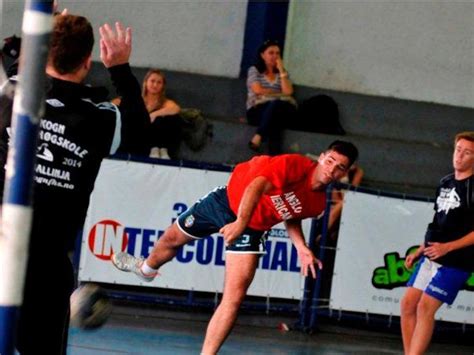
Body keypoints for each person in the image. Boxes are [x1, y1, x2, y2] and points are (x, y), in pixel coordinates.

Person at [112, 140, 359, 354]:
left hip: (252, 230)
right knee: (170, 240)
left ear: (345, 173)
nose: (332, 169)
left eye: (340, 168)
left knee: (234, 296)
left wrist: (301, 247)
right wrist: (240, 220)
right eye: (330, 161)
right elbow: (257, 186)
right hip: (225, 202)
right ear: (322, 157)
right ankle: (145, 269)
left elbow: (290, 214)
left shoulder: (317, 204)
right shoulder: (295, 165)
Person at [0, 14, 149, 353]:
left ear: (45, 55)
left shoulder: (12, 96)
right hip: (47, 270)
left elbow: (20, 72)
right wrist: (120, 69)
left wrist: (40, 35)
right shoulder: (99, 119)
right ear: (87, 63)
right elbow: (141, 134)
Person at [400, 131, 474, 355]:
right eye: (458, 149)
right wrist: (421, 249)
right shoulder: (445, 182)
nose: (459, 156)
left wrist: (448, 247)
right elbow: (438, 222)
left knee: (425, 307)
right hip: (433, 254)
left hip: (457, 260)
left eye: (467, 152)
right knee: (407, 305)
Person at [246, 40, 297, 155]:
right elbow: (257, 90)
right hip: (257, 110)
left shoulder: (282, 73)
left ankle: (258, 136)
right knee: (275, 113)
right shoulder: (255, 70)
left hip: (278, 109)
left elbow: (288, 91)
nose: (275, 56)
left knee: (276, 107)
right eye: (271, 53)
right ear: (262, 55)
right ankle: (274, 156)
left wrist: (281, 71)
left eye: (277, 53)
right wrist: (279, 94)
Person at [142, 68, 181, 159]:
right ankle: (153, 148)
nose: (155, 85)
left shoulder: (166, 102)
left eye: (159, 82)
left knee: (169, 118)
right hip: (143, 138)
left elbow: (176, 109)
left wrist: (154, 114)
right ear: (146, 82)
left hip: (163, 145)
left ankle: (162, 150)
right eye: (152, 81)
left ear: (163, 86)